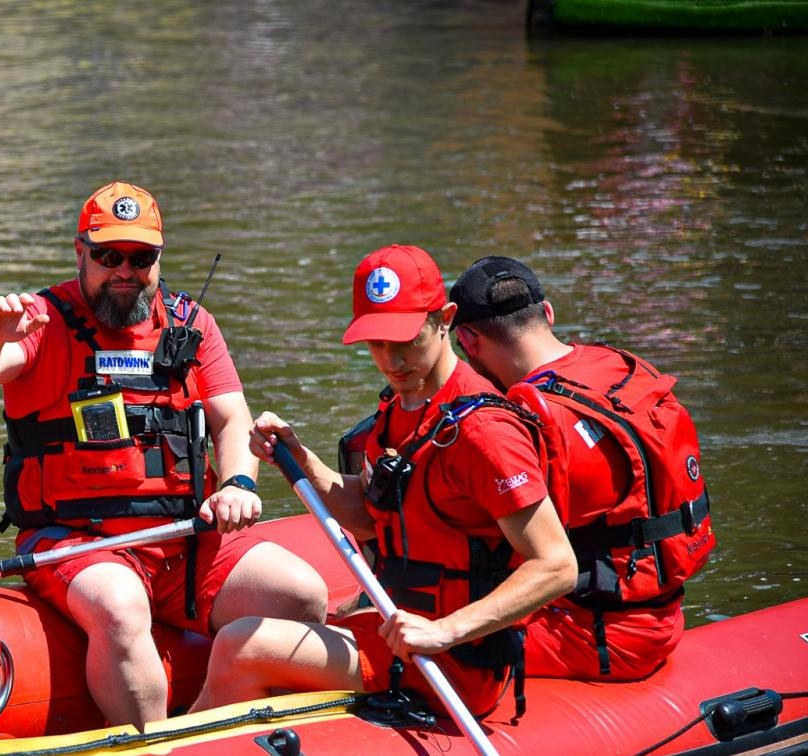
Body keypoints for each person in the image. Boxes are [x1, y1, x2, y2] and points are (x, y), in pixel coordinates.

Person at [0, 181, 328, 729]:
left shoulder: (192, 323)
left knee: (300, 595)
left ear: (158, 258)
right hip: (77, 539)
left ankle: (214, 718)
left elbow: (230, 417)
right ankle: (151, 750)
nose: (124, 269)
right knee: (120, 605)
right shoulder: (38, 319)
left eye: (140, 257)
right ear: (80, 253)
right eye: (108, 256)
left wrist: (239, 484)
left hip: (181, 538)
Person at [191, 245, 577, 717]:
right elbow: (372, 517)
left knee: (241, 644)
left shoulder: (484, 432)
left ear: (445, 319)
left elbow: (557, 565)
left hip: (452, 660)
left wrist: (446, 630)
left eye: (406, 340)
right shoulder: (400, 408)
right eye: (377, 344)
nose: (392, 361)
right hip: (400, 633)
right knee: (241, 647)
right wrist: (305, 463)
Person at [448, 255, 714, 680]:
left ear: (469, 341)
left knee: (392, 632)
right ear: (548, 313)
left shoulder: (529, 418)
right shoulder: (618, 364)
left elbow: (512, 554)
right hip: (663, 616)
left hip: (594, 638)